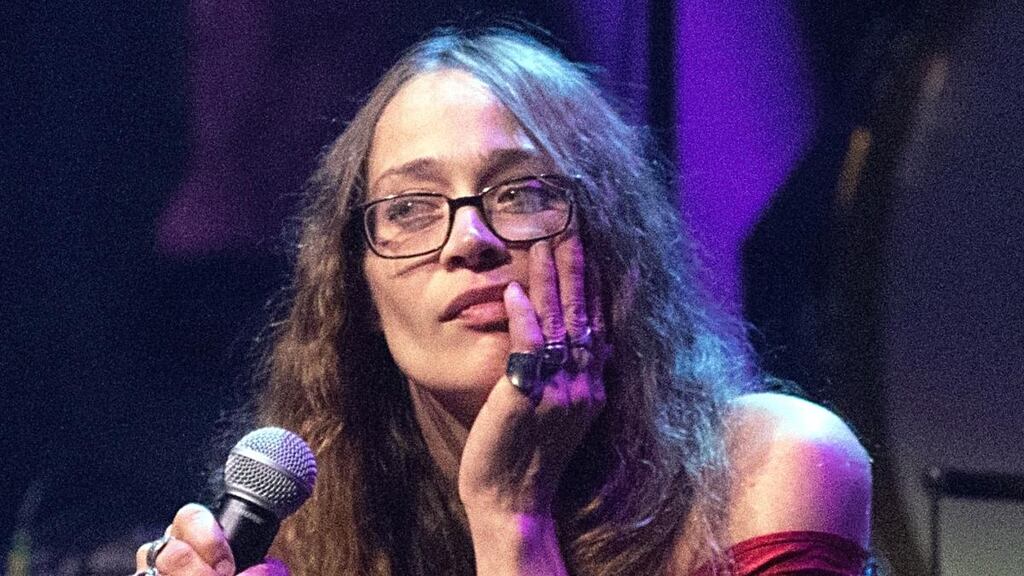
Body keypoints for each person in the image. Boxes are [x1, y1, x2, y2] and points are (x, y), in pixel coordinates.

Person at [135, 27, 872, 576]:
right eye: (410, 208)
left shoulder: (771, 467)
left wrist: (511, 516)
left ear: (611, 238)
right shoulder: (310, 532)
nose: (470, 240)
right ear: (360, 295)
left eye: (520, 193)